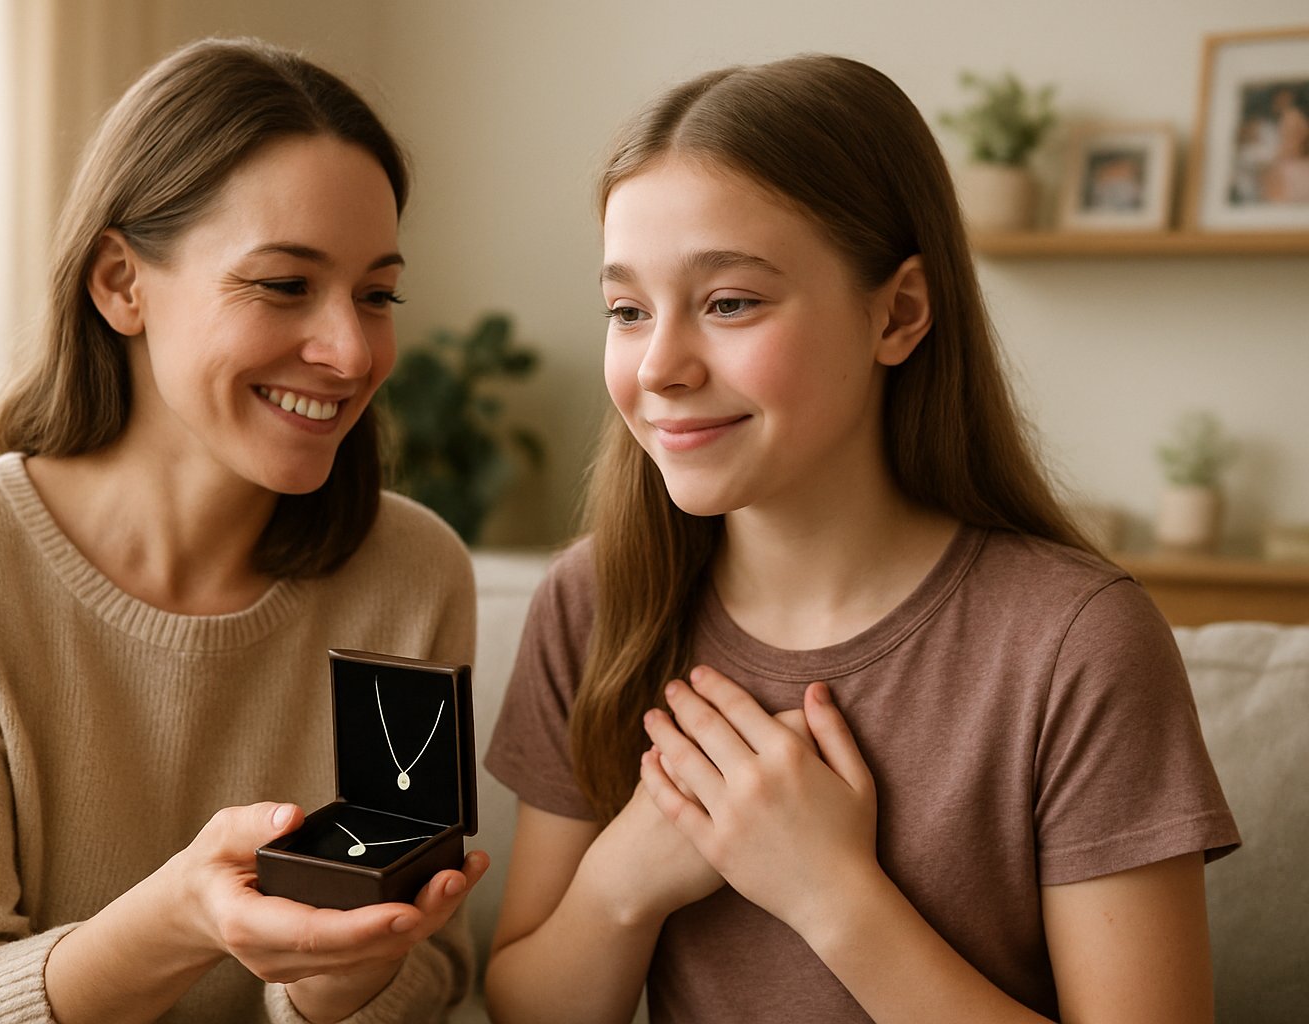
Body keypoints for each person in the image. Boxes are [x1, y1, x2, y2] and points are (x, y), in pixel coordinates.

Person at [482, 55, 1238, 1024]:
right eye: (627, 310)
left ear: (900, 312)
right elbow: (528, 1008)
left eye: (729, 302)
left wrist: (829, 893)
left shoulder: (1075, 642)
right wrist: (623, 881)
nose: (659, 366)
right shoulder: (592, 602)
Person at [0, 37, 487, 1024]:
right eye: (285, 284)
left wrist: (335, 977)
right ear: (121, 282)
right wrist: (181, 920)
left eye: (376, 294)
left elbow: (430, 964)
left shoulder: (411, 572)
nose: (352, 348)